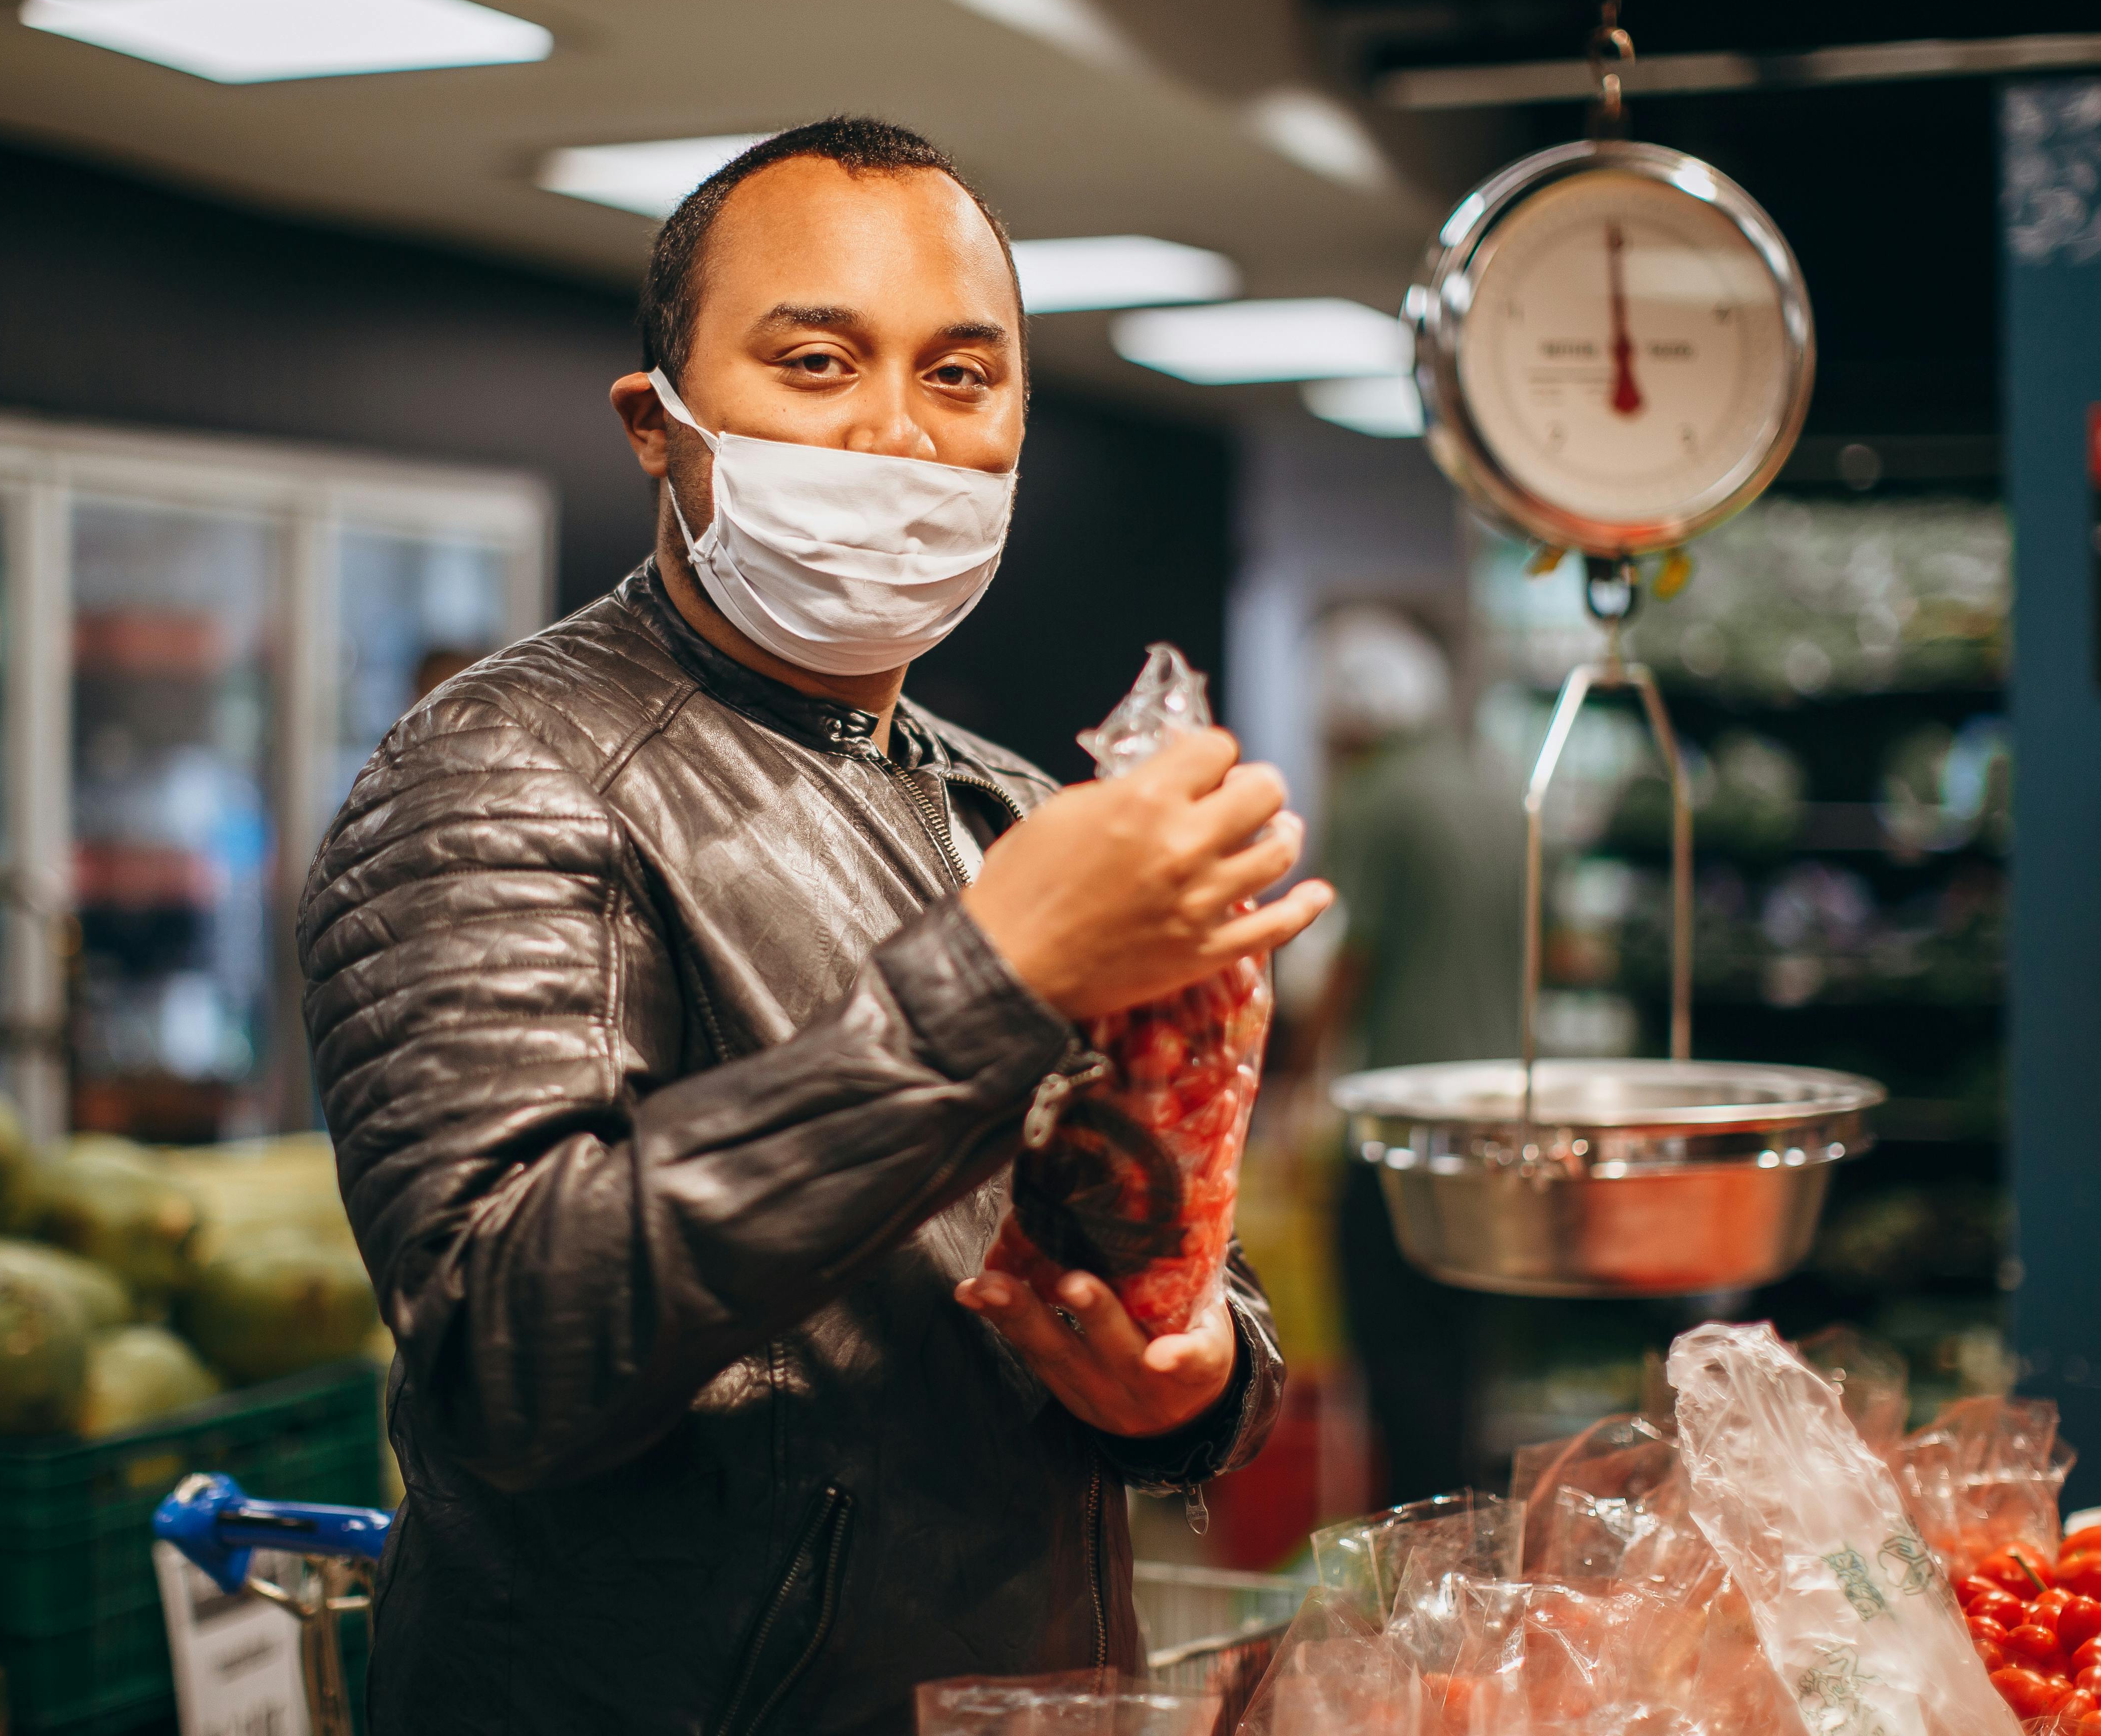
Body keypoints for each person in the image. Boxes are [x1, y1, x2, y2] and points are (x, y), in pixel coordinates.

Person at [298, 118, 1333, 1735]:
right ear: (664, 422)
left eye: (960, 377)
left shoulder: (1005, 802)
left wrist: (1195, 1384)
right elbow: (510, 1347)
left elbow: (1174, 1250)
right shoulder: (504, 773)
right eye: (816, 362)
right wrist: (1000, 979)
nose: (898, 439)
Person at [1304, 607, 1522, 1501]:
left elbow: (1346, 957)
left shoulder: (1378, 796)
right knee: (1464, 1363)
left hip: (1399, 1131)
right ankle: (1468, 1554)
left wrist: (1290, 1081)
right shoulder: (1495, 786)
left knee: (1396, 1366)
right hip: (1502, 1123)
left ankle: (1412, 1577)